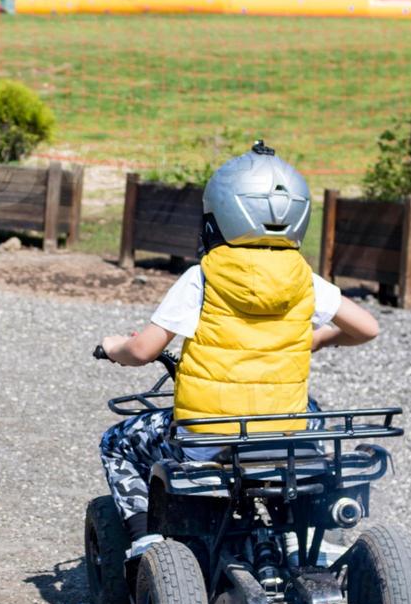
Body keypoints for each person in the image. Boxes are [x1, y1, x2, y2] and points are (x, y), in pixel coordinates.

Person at [96, 141, 381, 560]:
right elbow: (367, 328)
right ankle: (290, 530)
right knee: (312, 412)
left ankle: (145, 542)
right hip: (279, 435)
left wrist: (114, 345)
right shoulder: (304, 278)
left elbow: (143, 351)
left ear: (221, 215)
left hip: (208, 439)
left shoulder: (203, 276)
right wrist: (317, 337)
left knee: (118, 442)